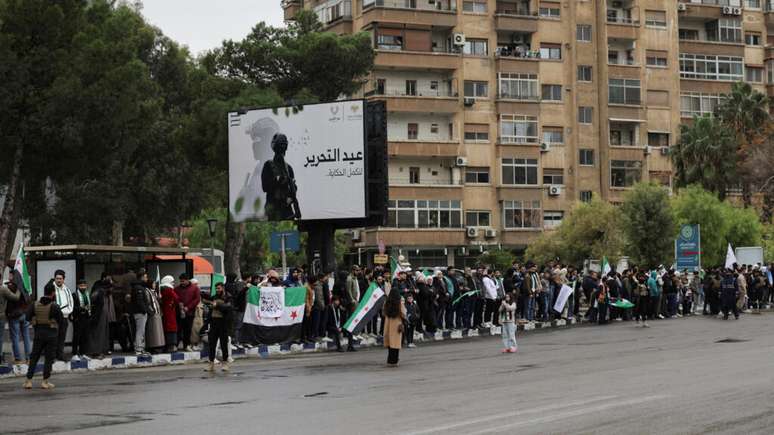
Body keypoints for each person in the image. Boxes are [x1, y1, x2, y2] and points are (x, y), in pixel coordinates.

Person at [23, 282, 63, 390]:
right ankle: (45, 382)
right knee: (49, 359)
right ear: (53, 293)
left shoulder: (35, 304)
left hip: (39, 334)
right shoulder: (54, 306)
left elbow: (27, 317)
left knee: (34, 357)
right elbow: (61, 321)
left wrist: (35, 320)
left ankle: (28, 381)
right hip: (51, 335)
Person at [261, 133, 301, 220]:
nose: (281, 154)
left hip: (286, 209)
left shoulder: (289, 168)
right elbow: (265, 187)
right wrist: (277, 180)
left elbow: (293, 187)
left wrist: (290, 197)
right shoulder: (268, 165)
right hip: (273, 208)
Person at [203, 282, 233, 372]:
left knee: (224, 344)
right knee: (212, 344)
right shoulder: (214, 297)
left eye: (219, 288)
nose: (217, 290)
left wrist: (217, 305)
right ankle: (211, 363)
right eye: (216, 289)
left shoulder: (228, 297)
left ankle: (225, 363)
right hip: (214, 322)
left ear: (223, 288)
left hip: (223, 323)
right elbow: (209, 303)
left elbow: (228, 307)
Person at [6, 281, 31, 364]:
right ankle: (29, 358)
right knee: (26, 336)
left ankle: (18, 358)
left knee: (15, 337)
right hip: (24, 313)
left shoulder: (10, 288)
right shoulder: (25, 286)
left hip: (14, 315)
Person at [174, 273, 201, 351]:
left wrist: (188, 307)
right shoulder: (177, 289)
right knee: (178, 329)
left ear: (187, 280)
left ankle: (186, 345)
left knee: (188, 329)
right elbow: (175, 298)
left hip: (190, 312)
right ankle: (176, 344)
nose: (182, 283)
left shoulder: (195, 288)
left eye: (183, 281)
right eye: (180, 281)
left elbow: (197, 299)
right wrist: (179, 304)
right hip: (179, 312)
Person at [88, 275, 111, 357]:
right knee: (98, 334)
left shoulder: (103, 293)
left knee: (102, 333)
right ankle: (96, 352)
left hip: (101, 316)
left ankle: (100, 350)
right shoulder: (100, 292)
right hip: (98, 316)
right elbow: (94, 303)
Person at [52, 270, 73, 360]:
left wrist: (67, 312)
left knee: (62, 337)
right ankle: (52, 356)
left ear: (63, 279)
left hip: (64, 317)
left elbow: (70, 303)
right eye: (57, 278)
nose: (59, 280)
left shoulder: (67, 290)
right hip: (55, 318)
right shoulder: (51, 288)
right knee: (53, 337)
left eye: (60, 278)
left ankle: (60, 355)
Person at [383, 289, 406, 367]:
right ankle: (394, 361)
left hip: (388, 324)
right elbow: (403, 313)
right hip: (396, 324)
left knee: (390, 343)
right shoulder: (399, 303)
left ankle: (389, 360)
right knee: (396, 344)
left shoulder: (387, 302)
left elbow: (383, 312)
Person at [70, 279, 91, 360]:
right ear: (77, 286)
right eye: (81, 286)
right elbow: (72, 307)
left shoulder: (87, 294)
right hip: (78, 318)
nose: (83, 287)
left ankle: (83, 353)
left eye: (84, 286)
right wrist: (81, 308)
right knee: (76, 336)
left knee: (84, 336)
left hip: (86, 318)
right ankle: (74, 354)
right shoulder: (74, 295)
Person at [0, 281, 21, 364]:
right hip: (1, 316)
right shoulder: (3, 289)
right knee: (0, 337)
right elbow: (16, 297)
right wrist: (19, 289)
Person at [129, 276, 150, 356]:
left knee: (141, 331)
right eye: (145, 277)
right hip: (140, 312)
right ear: (141, 278)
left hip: (139, 312)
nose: (147, 279)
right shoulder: (139, 288)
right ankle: (138, 349)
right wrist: (145, 310)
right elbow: (140, 301)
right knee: (140, 331)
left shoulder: (138, 287)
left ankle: (140, 349)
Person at [144, 280, 165, 353]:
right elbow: (148, 302)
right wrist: (152, 311)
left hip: (157, 314)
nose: (154, 285)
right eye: (153, 283)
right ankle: (153, 346)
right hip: (153, 314)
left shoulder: (153, 292)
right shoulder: (147, 291)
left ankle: (158, 345)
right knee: (153, 332)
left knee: (158, 332)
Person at [160, 276, 180, 352]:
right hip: (170, 313)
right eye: (172, 282)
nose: (173, 283)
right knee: (171, 329)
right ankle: (171, 346)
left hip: (165, 312)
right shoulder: (169, 290)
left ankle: (166, 346)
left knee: (166, 328)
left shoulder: (162, 290)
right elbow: (176, 298)